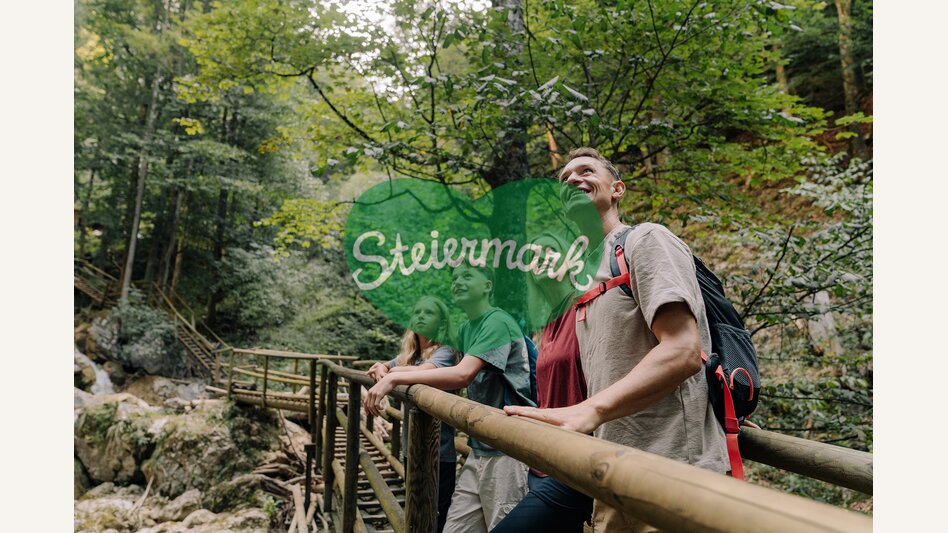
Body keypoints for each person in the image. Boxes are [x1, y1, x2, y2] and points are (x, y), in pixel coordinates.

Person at [505, 147, 729, 532]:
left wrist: (591, 409)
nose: (573, 179)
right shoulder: (584, 279)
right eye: (564, 181)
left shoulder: (646, 241)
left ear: (617, 189)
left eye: (586, 171)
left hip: (673, 469)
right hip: (611, 472)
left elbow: (684, 350)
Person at [365, 263, 534, 532]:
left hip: (508, 448)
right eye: (455, 278)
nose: (458, 282)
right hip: (480, 447)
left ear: (487, 286)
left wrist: (394, 377)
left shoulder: (497, 322)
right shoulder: (467, 329)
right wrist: (387, 367)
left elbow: (461, 375)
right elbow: (428, 361)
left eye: (467, 276)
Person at [490, 232, 592, 533]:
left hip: (578, 463)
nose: (540, 258)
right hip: (545, 461)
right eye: (533, 256)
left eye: (550, 249)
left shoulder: (587, 307)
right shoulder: (546, 325)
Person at [366, 296, 459, 533]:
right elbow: (389, 365)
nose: (420, 316)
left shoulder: (445, 352)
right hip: (412, 448)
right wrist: (381, 366)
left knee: (435, 517)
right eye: (417, 312)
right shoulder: (411, 356)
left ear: (441, 323)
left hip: (439, 453)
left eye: (428, 313)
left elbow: (422, 372)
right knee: (415, 511)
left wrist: (390, 372)